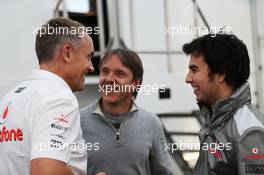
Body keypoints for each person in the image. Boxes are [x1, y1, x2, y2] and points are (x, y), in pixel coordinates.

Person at [0, 17, 95, 175]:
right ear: (67, 53)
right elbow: (47, 171)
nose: (91, 67)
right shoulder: (58, 98)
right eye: (89, 57)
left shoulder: (9, 99)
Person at [80, 49, 173, 175]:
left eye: (119, 74)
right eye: (105, 71)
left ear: (135, 83)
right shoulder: (79, 120)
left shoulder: (151, 123)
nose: (109, 79)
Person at [183, 33, 264, 175]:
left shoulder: (248, 131)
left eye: (194, 70)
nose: (188, 78)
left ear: (220, 74)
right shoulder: (214, 120)